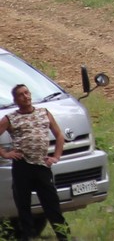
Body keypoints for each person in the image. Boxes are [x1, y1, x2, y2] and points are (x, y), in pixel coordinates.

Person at [1, 83, 68, 239]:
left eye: (27, 93)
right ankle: (28, 236)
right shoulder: (11, 118)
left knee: (51, 204)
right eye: (21, 95)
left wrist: (56, 156)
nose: (26, 97)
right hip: (22, 166)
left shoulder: (43, 113)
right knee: (23, 204)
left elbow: (59, 135)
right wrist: (5, 154)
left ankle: (63, 235)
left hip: (42, 165)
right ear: (15, 99)